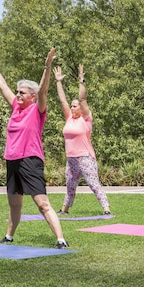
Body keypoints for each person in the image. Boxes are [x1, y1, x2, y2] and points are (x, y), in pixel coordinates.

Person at [0, 46, 69, 249]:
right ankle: (9, 236)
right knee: (14, 204)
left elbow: (44, 89)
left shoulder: (37, 110)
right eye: (17, 92)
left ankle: (61, 240)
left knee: (42, 203)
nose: (18, 95)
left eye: (22, 93)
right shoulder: (15, 108)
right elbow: (2, 85)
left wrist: (47, 66)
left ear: (33, 97)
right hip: (12, 160)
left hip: (30, 160)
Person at [53, 64, 111, 216]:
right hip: (71, 159)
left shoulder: (86, 119)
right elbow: (62, 101)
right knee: (70, 186)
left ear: (81, 108)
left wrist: (81, 80)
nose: (72, 108)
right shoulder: (69, 118)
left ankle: (106, 209)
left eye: (75, 106)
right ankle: (65, 209)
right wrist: (58, 82)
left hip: (85, 157)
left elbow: (82, 98)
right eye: (72, 106)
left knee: (93, 184)